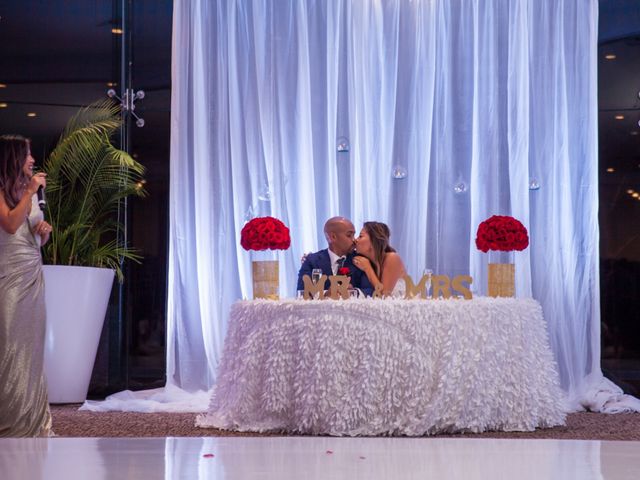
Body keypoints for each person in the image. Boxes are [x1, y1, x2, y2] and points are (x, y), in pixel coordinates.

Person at [0, 134, 53, 437]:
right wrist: (29, 192)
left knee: (31, 348)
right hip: (8, 277)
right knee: (9, 347)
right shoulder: (8, 191)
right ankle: (8, 417)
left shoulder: (31, 193)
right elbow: (8, 225)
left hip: (32, 273)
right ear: (13, 157)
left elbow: (32, 232)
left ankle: (31, 420)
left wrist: (43, 232)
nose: (32, 160)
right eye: (28, 154)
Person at [297, 216, 373, 295]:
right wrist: (326, 294)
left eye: (354, 235)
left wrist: (353, 292)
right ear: (333, 237)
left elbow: (371, 290)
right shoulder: (312, 261)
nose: (354, 240)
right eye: (349, 235)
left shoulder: (360, 260)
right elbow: (302, 292)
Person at [352, 221, 406, 296]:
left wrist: (367, 268)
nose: (355, 240)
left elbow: (384, 295)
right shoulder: (367, 261)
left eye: (360, 236)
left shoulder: (392, 258)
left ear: (373, 241)